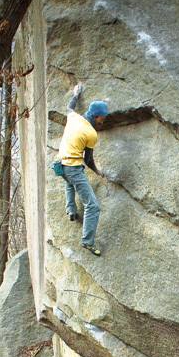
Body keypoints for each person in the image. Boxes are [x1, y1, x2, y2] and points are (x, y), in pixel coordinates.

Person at [57, 83, 108, 257]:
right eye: (103, 117)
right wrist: (97, 172)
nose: (103, 121)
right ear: (96, 116)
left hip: (59, 165)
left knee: (69, 181)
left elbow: (69, 107)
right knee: (92, 206)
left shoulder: (73, 118)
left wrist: (75, 95)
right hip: (73, 168)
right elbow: (88, 160)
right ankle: (87, 241)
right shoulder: (91, 133)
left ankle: (71, 210)